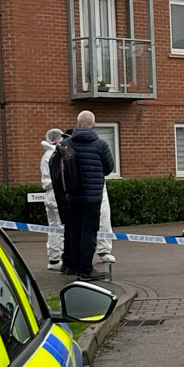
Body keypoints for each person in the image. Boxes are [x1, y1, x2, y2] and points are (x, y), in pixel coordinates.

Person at [55, 110, 115, 278]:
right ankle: (86, 270)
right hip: (93, 197)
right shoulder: (101, 145)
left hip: (72, 196)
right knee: (89, 234)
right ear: (93, 124)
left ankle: (73, 267)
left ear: (78, 122)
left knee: (74, 232)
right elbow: (108, 168)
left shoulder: (67, 143)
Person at [38, 128, 66, 271]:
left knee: (53, 226)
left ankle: (54, 258)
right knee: (61, 226)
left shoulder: (45, 155)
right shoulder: (54, 156)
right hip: (56, 193)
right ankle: (60, 257)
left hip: (48, 194)